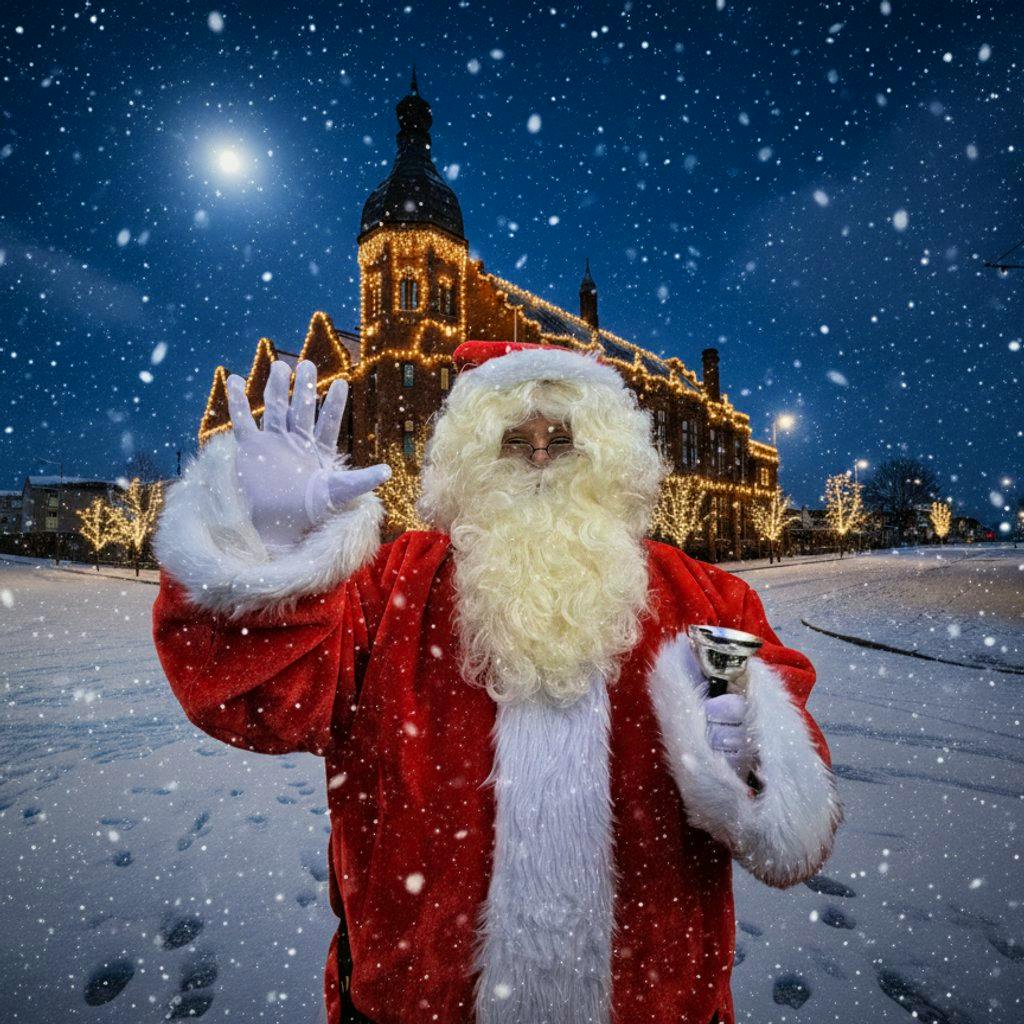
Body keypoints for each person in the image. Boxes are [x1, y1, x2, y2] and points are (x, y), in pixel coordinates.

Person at [152, 340, 843, 1024]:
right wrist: (267, 551)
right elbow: (253, 697)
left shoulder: (702, 597)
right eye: (514, 438)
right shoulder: (388, 589)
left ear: (609, 453)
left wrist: (754, 756)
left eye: (563, 436)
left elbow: (785, 806)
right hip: (416, 1003)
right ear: (470, 457)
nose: (540, 454)